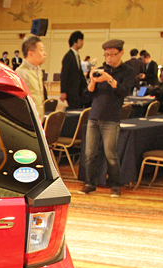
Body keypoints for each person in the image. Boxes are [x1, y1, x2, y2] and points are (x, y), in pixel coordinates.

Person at [80, 39, 137, 198]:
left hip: (111, 118)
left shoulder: (128, 71)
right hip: (94, 116)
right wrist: (93, 80)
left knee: (111, 154)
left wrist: (109, 79)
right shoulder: (101, 70)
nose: (109, 58)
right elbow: (88, 95)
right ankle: (90, 183)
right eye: (106, 55)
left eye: (113, 54)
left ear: (121, 53)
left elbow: (124, 91)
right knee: (90, 154)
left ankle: (115, 185)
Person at [15, 35, 47, 121]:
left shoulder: (38, 70)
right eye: (41, 50)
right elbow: (18, 103)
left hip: (38, 119)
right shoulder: (21, 72)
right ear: (31, 53)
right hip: (27, 121)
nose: (45, 54)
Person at [60, 31, 87, 109]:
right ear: (75, 41)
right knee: (75, 109)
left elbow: (80, 73)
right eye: (81, 40)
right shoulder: (68, 56)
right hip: (71, 91)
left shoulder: (76, 56)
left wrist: (86, 87)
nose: (82, 43)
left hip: (78, 90)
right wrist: (63, 91)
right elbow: (64, 75)